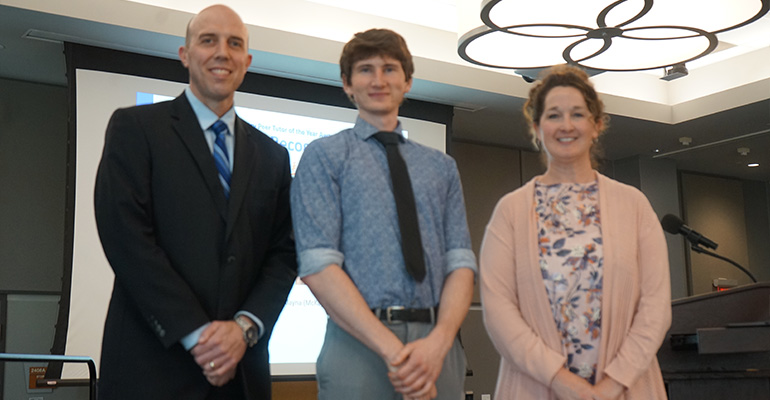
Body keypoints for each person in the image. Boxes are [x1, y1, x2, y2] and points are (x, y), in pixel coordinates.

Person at [93, 5, 297, 399]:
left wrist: (243, 328)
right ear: (185, 55)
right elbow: (126, 237)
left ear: (247, 61)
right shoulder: (135, 129)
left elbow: (284, 253)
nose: (222, 52)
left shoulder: (274, 156)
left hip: (242, 375)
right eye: (208, 40)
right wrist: (199, 335)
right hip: (149, 370)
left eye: (234, 44)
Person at [290, 28, 476, 400]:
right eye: (365, 70)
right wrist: (395, 354)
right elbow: (317, 266)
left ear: (407, 81)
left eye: (390, 69)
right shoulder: (324, 156)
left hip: (437, 348)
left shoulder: (441, 167)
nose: (378, 80)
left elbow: (460, 264)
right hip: (358, 345)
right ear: (347, 84)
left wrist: (438, 344)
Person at [479, 65, 671, 400]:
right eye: (554, 115)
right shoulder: (509, 211)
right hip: (534, 387)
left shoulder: (634, 205)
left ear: (596, 126)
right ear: (537, 128)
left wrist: (611, 385)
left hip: (626, 390)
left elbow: (655, 308)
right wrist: (562, 381)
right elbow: (499, 312)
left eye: (578, 114)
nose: (566, 125)